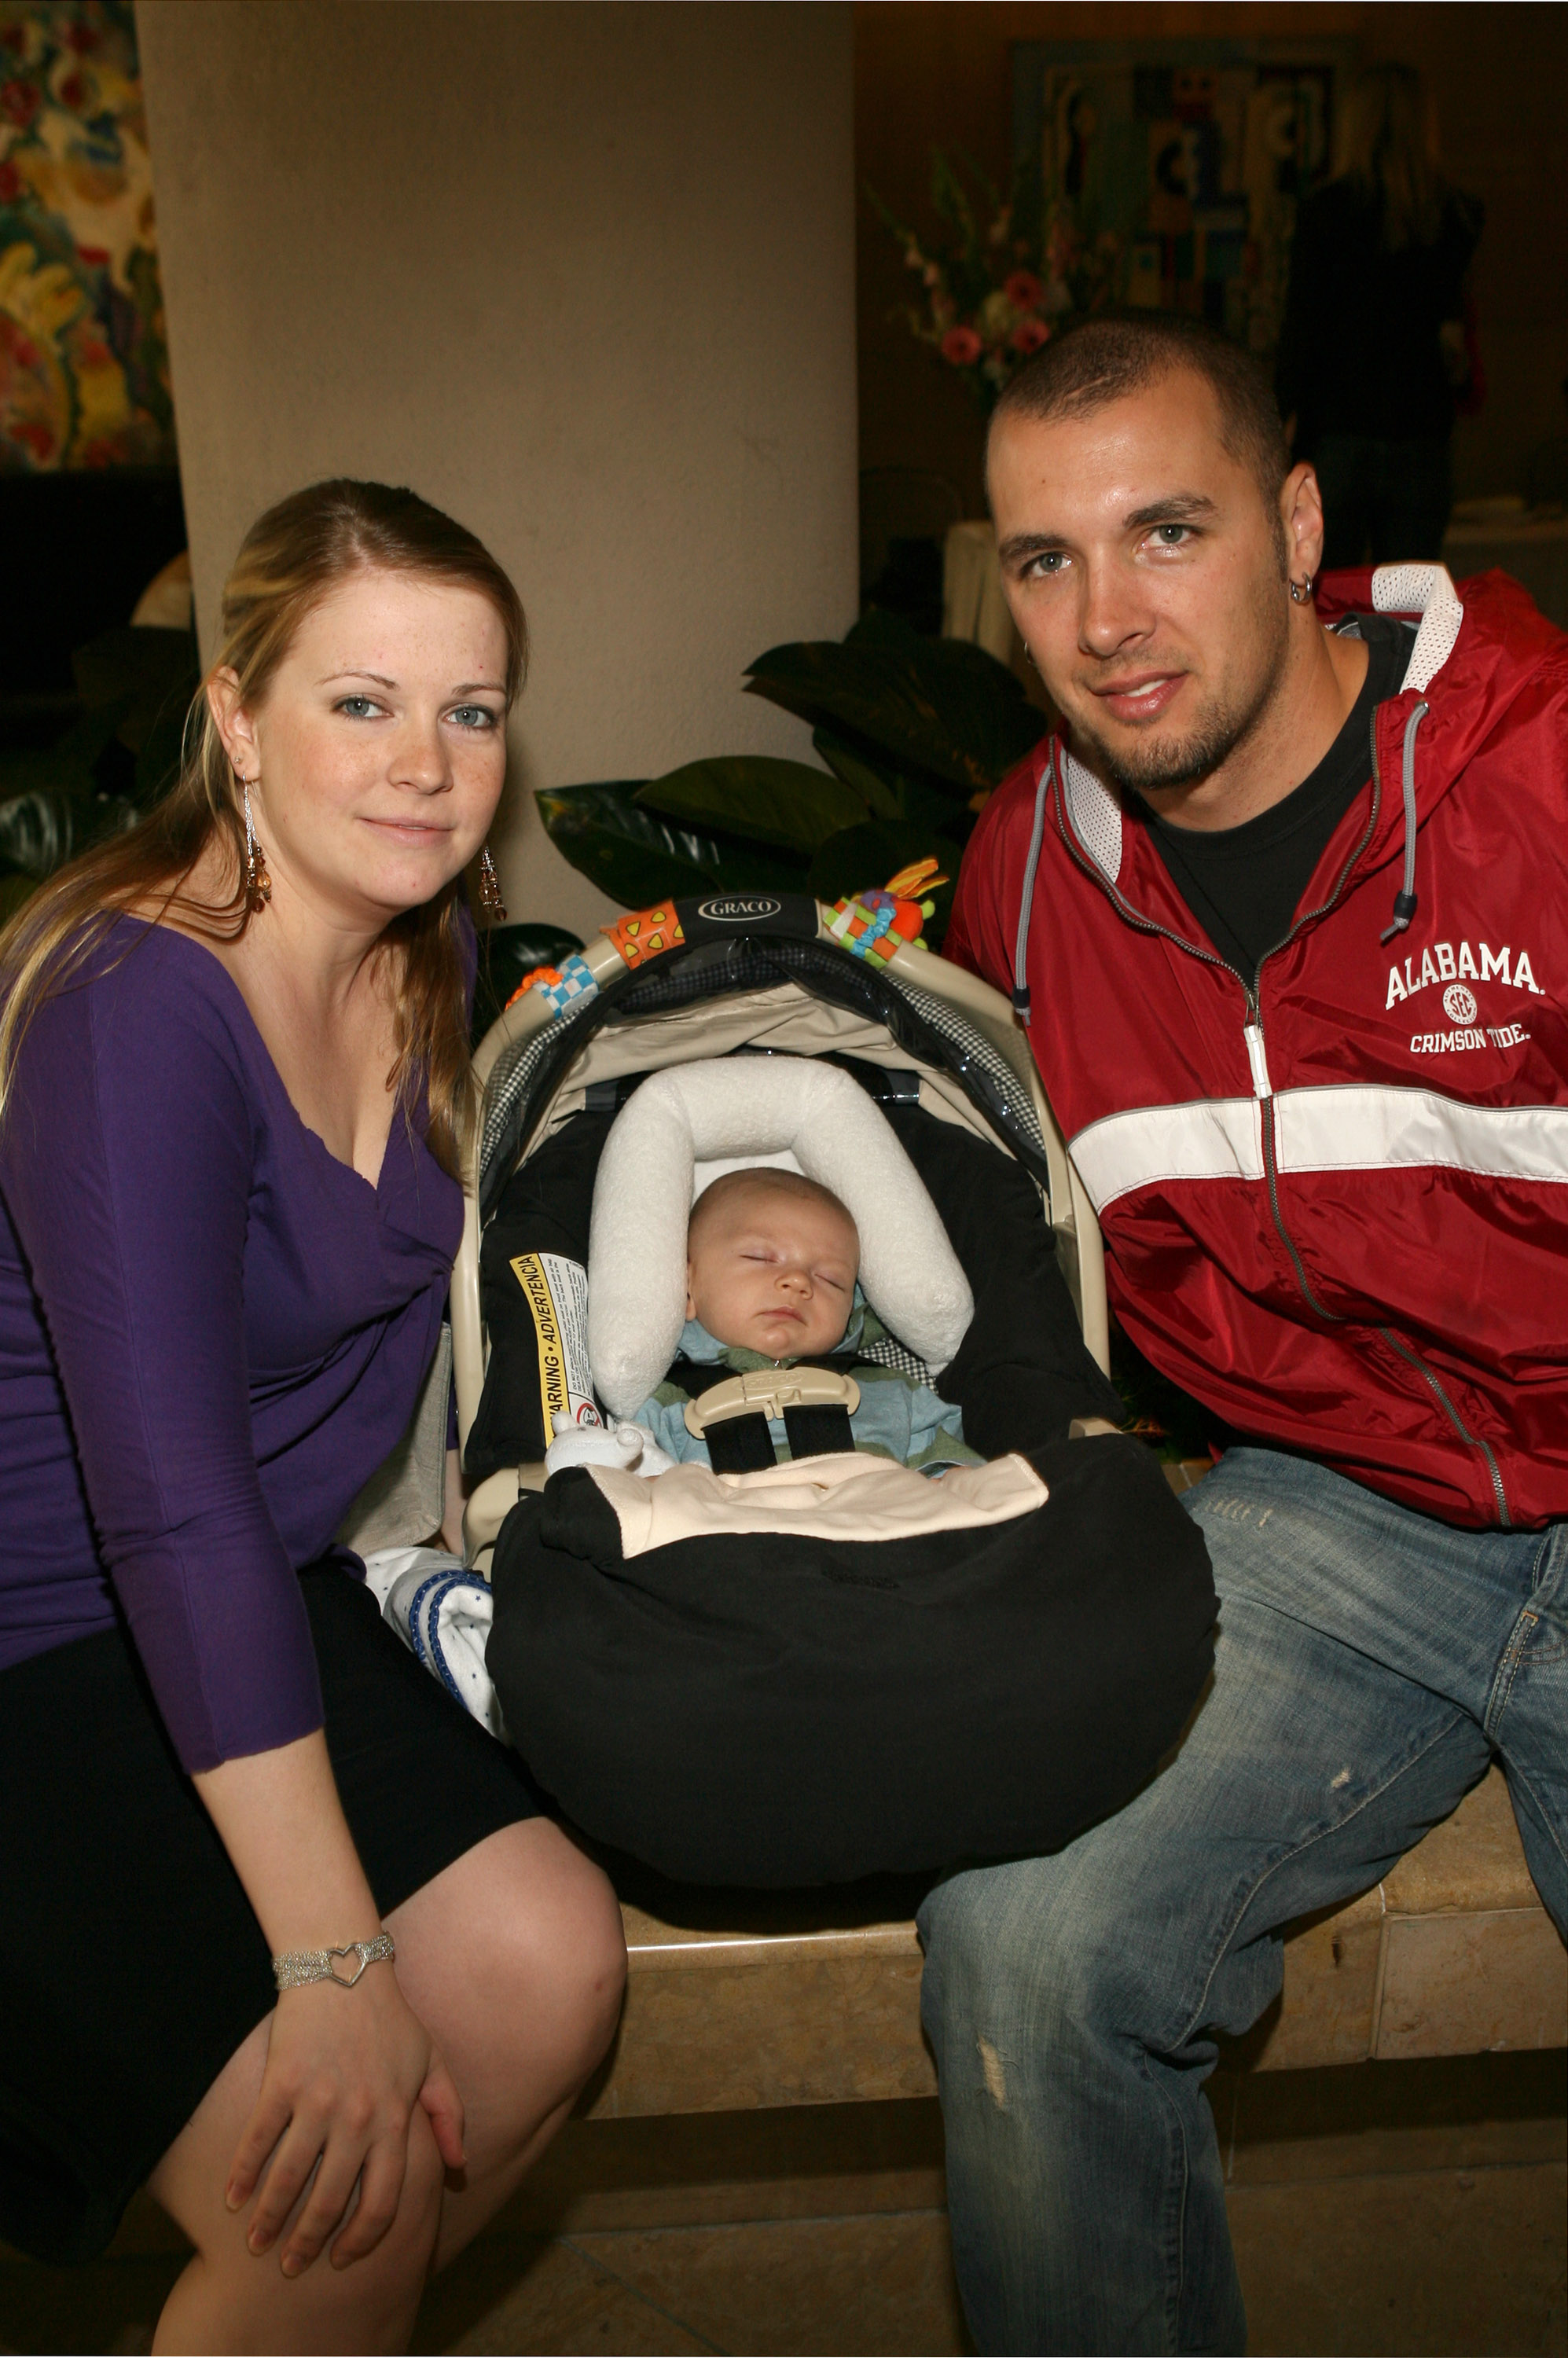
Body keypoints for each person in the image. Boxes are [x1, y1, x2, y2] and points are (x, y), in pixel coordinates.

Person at [927, 311, 1567, 2354]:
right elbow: (1016, 1294)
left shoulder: (1537, 780)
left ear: (1294, 524)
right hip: (1342, 1509)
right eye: (1045, 560)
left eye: (1167, 530)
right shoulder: (1024, 881)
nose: (1106, 618)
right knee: (1020, 1944)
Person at [0, 479, 626, 2354]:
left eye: (471, 708)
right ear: (234, 718)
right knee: (330, 2167)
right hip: (37, 1636)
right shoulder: (134, 1002)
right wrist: (333, 1957)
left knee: (545, 1968)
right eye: (363, 701)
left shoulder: (414, 954)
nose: (428, 763)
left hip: (236, 1586)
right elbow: (168, 1506)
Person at [621, 1167, 980, 1474]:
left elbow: (957, 1476)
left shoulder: (895, 1393)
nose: (799, 1282)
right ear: (686, 1288)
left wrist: (949, 1480)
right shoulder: (664, 1403)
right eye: (760, 1257)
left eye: (830, 1279)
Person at [1276, 62, 1483, 567]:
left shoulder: (1326, 212)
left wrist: (1277, 422)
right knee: (1414, 604)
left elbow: (1304, 330)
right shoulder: (1455, 216)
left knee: (1329, 596)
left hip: (1339, 426)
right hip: (1418, 426)